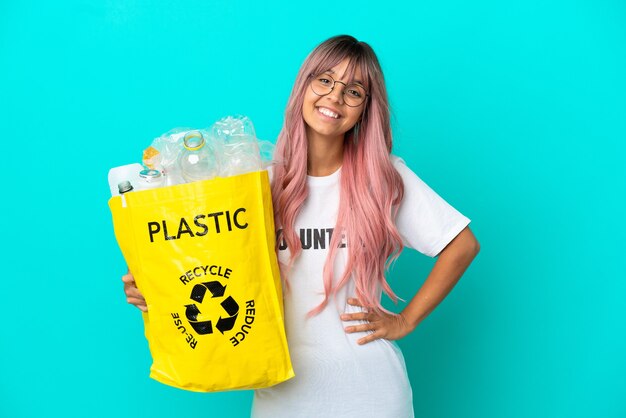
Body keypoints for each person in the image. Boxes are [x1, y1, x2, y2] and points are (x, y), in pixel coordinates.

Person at [123, 35, 480, 418]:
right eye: (324, 80)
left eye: (354, 90)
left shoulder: (385, 179)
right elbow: (211, 269)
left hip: (373, 397)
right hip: (282, 399)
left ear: (365, 109)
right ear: (304, 86)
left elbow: (462, 245)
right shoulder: (256, 184)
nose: (335, 97)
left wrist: (405, 321)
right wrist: (155, 289)